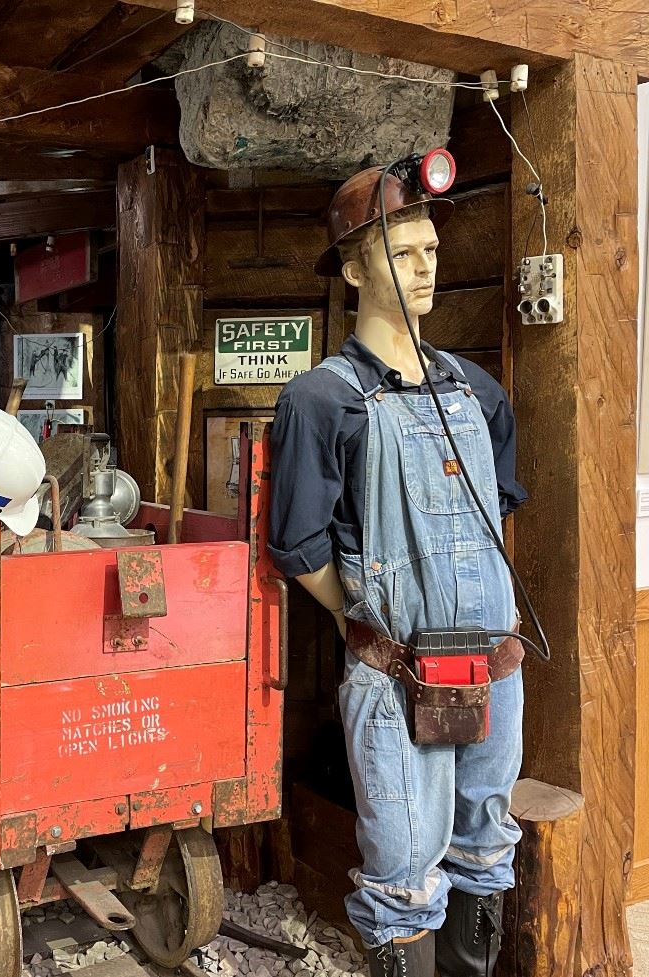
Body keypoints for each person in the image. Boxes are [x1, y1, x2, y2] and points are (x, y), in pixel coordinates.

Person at [267, 165, 527, 977]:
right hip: (398, 678)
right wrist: (373, 624)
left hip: (494, 668)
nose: (425, 266)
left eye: (431, 249)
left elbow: (494, 513)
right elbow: (298, 546)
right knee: (403, 870)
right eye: (401, 250)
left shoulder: (478, 393)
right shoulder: (321, 400)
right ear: (352, 270)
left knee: (486, 844)